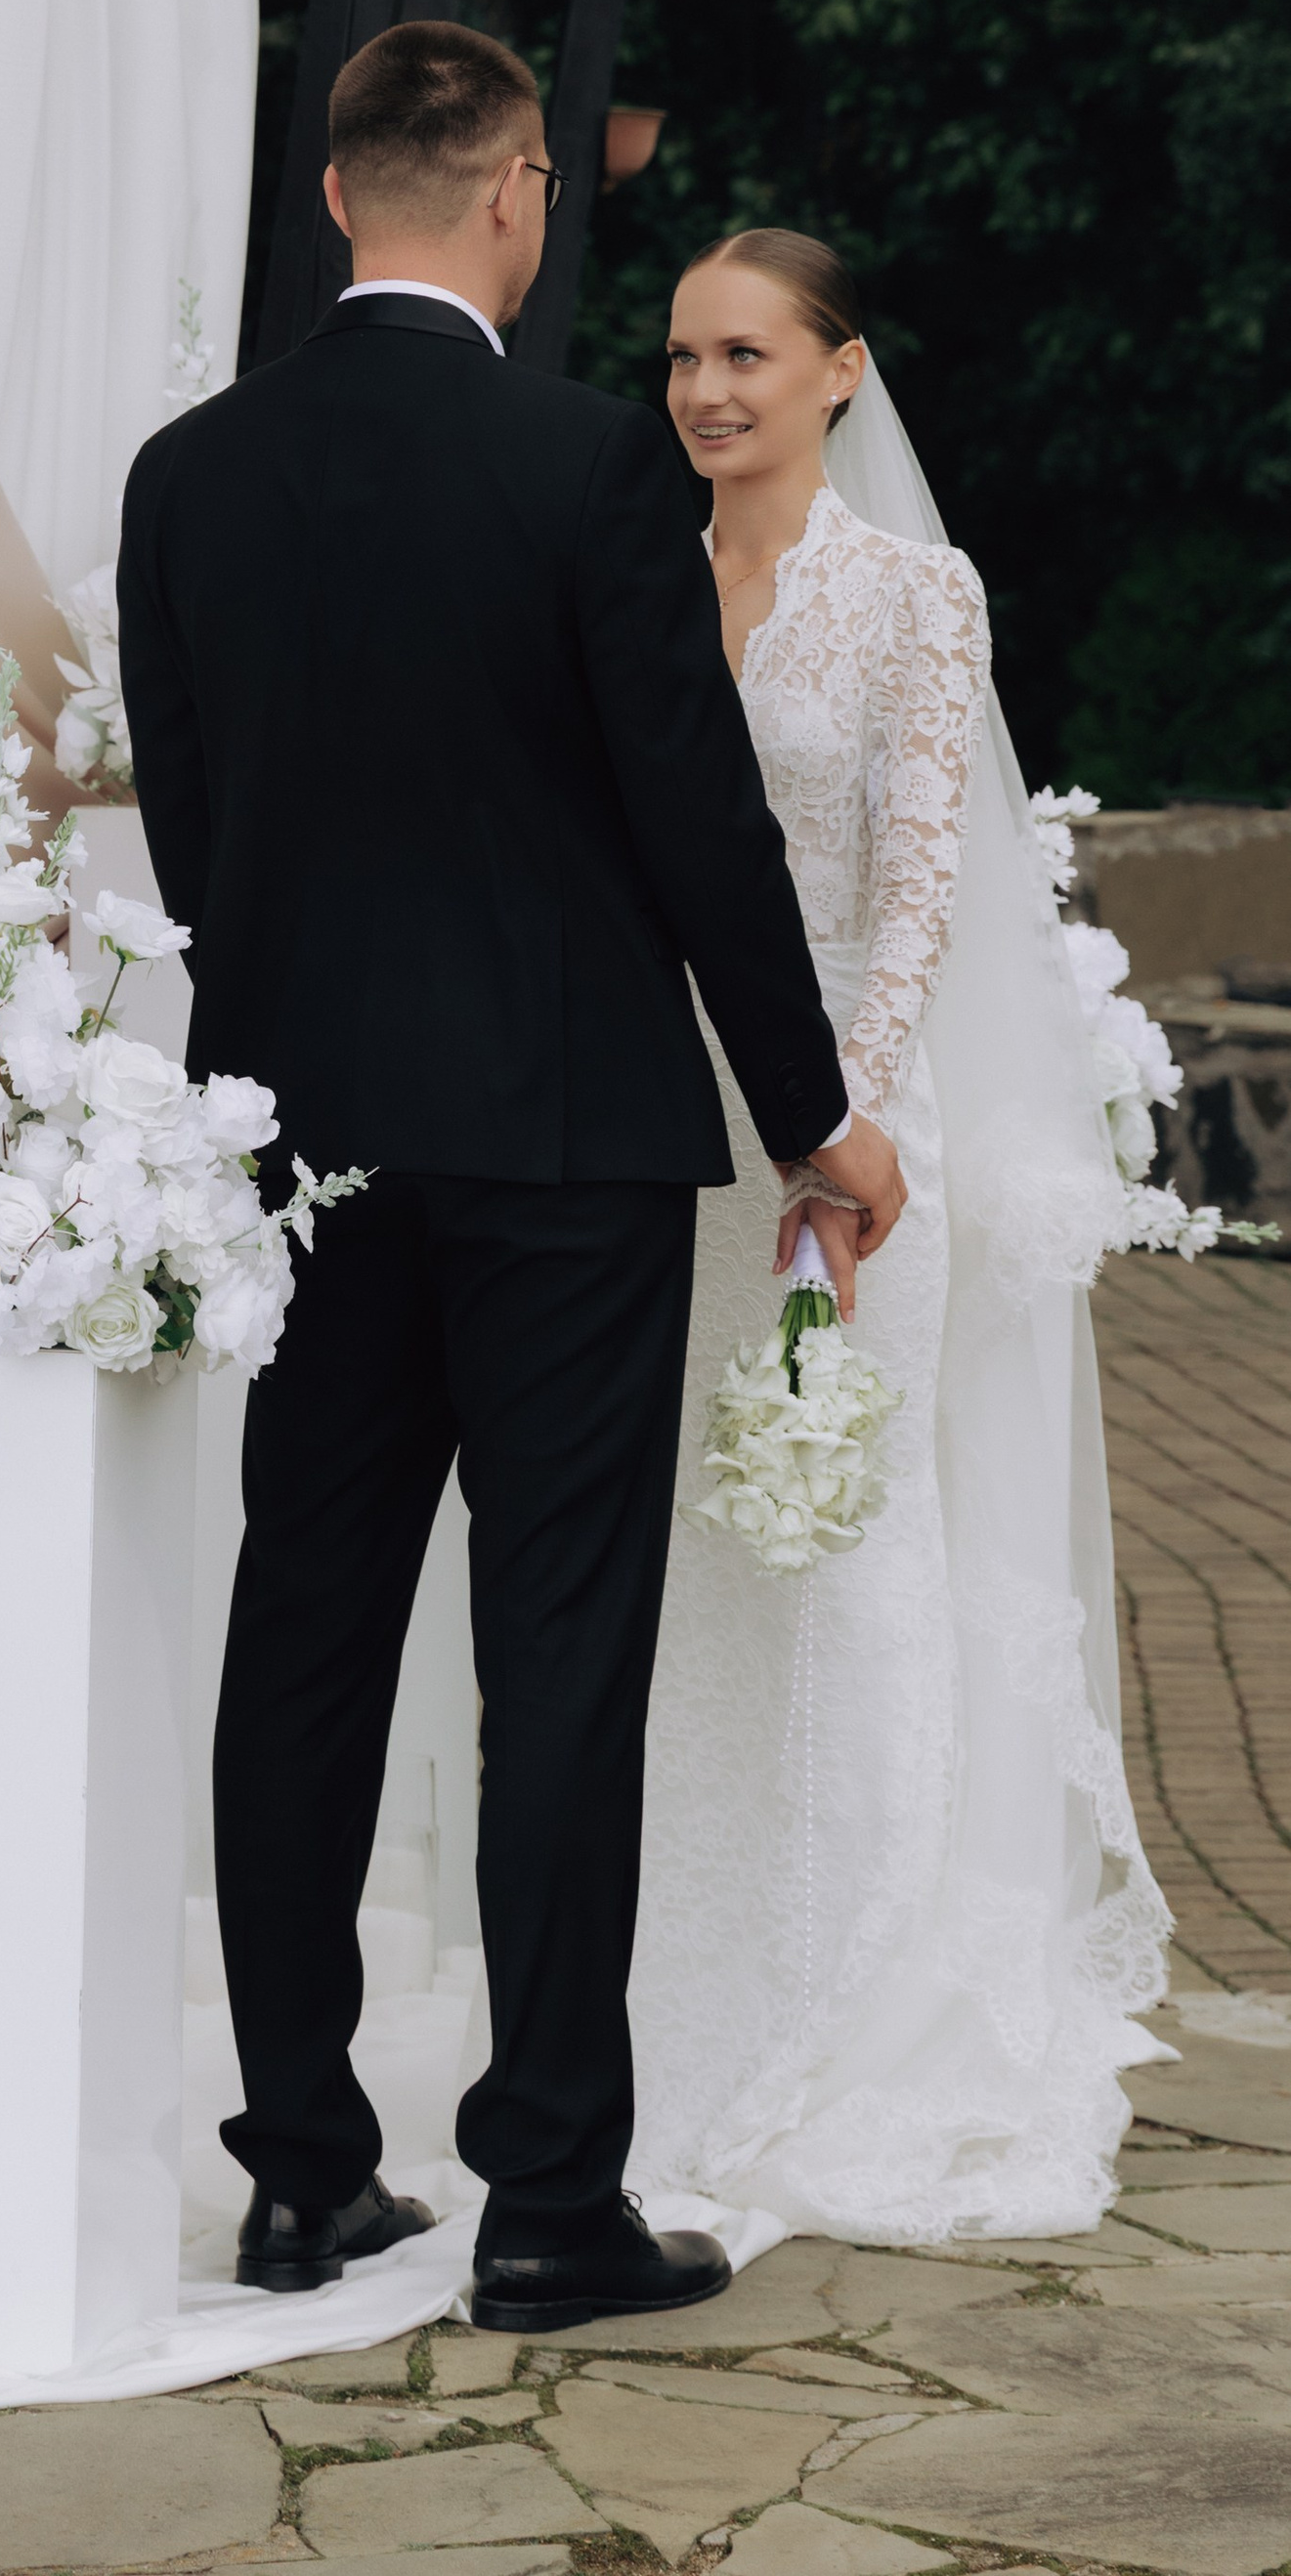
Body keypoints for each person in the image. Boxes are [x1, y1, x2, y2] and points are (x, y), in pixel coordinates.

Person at [116, 24, 904, 2333]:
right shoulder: (582, 471)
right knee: (555, 1652)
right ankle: (549, 2201)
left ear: (339, 196)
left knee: (305, 1627)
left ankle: (295, 2175)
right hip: (560, 1143)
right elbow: (696, 826)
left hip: (309, 1145)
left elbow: (195, 829)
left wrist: (270, 1060)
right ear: (515, 195)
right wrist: (810, 1110)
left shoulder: (186, 480)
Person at [631, 231, 1169, 2239]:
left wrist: (828, 1143)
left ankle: (858, 2001)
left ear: (838, 373)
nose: (706, 390)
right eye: (682, 355)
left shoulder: (908, 597)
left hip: (850, 1144)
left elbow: (924, 877)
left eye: (746, 353)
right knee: (709, 1559)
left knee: (847, 1545)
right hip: (662, 1138)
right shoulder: (640, 576)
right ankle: (687, 1987)